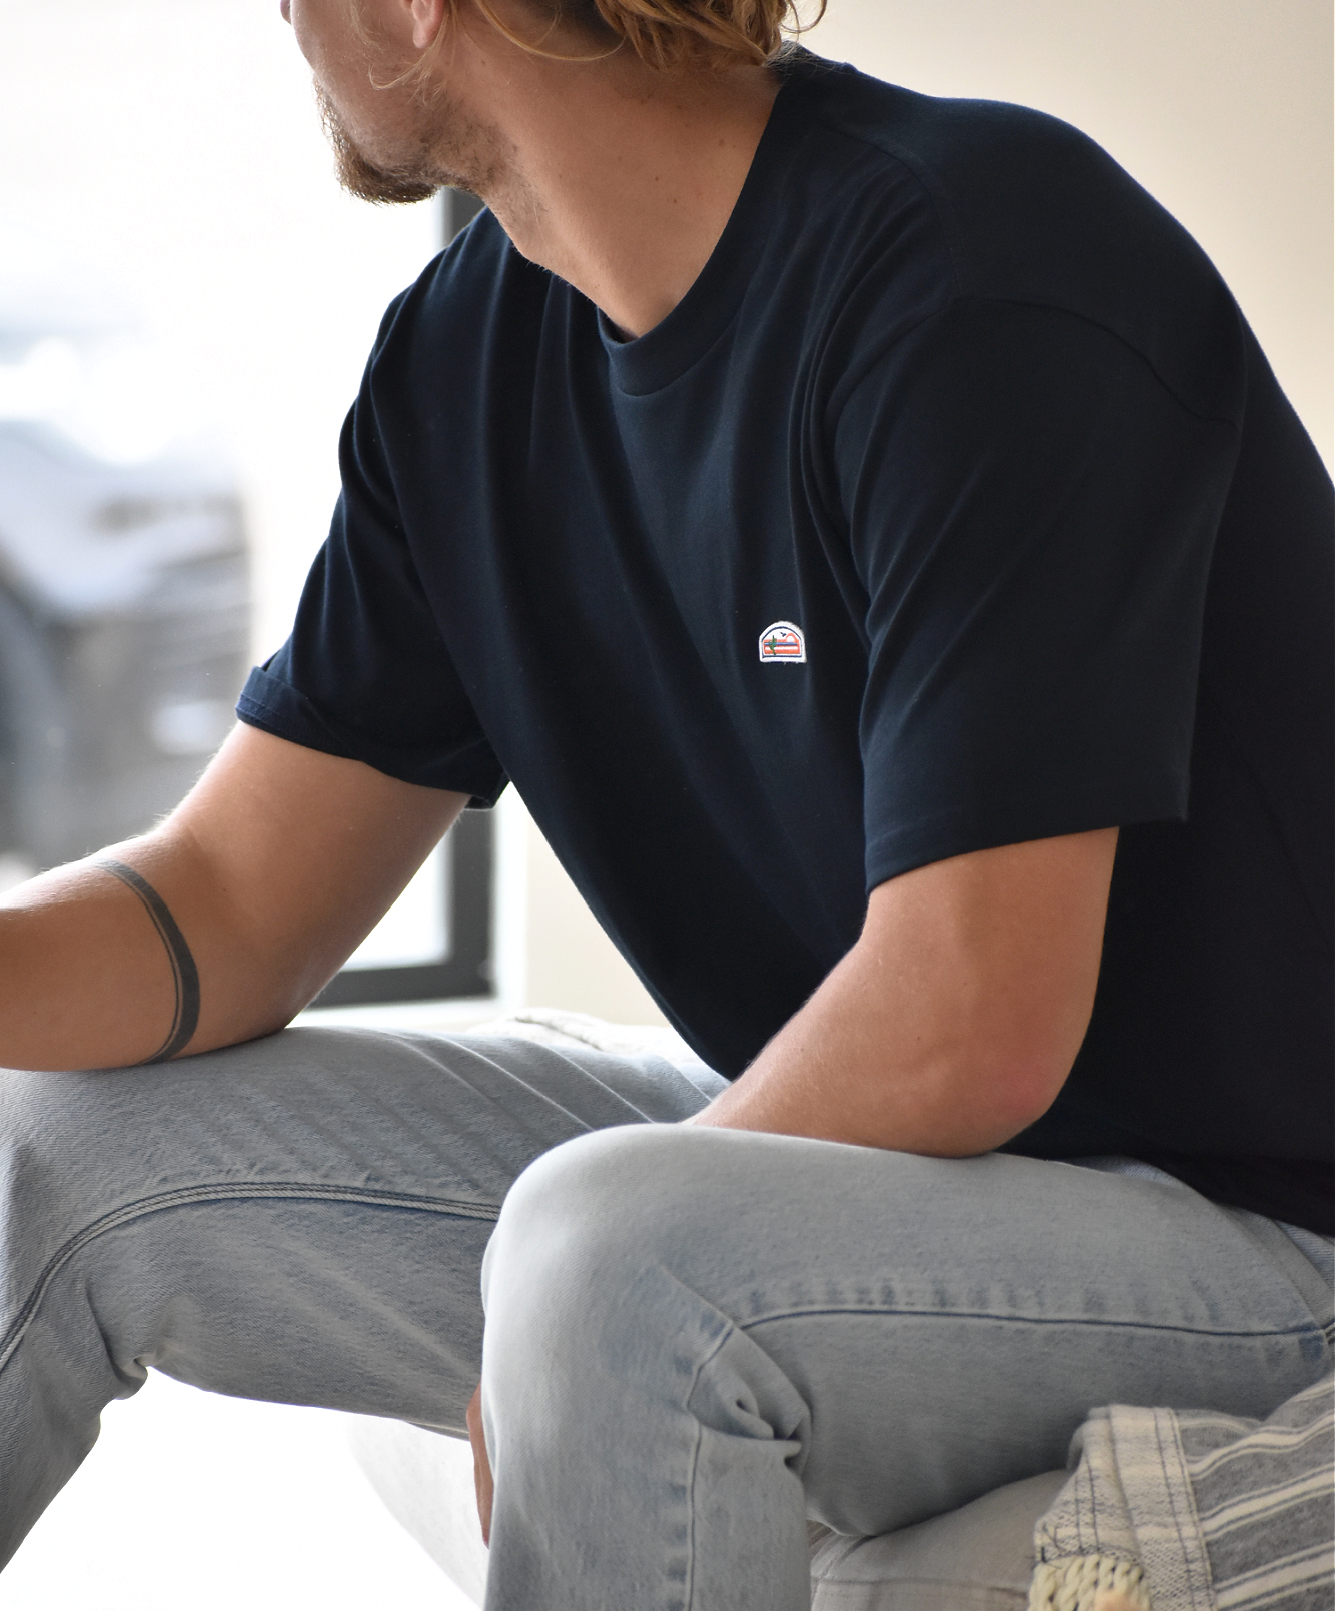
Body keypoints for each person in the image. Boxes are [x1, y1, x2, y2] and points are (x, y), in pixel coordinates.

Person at [0, 0, 1330, 1605]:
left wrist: (589, 1282)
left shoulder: (985, 269)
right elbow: (230, 902)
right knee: (60, 1135)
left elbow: (973, 1014)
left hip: (1258, 1230)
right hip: (907, 1195)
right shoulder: (464, 360)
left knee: (615, 1254)